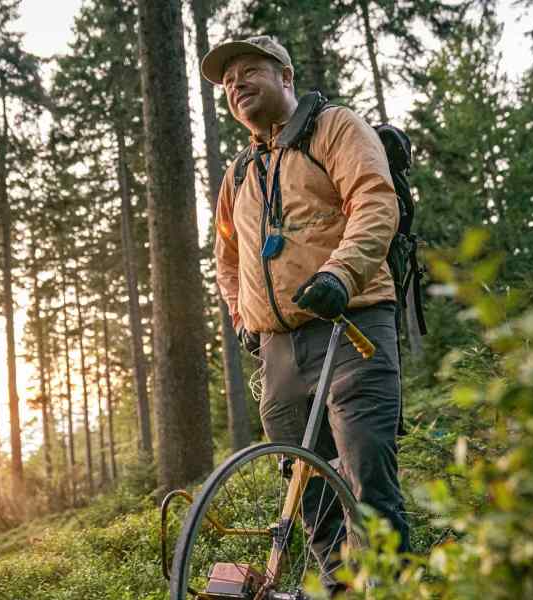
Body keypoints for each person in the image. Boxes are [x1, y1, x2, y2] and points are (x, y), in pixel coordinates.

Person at [202, 35, 411, 592]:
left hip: (353, 328)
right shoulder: (238, 174)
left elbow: (375, 199)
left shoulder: (336, 127)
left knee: (367, 478)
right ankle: (343, 589)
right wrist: (242, 316)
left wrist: (340, 274)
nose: (236, 85)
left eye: (249, 71)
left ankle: (390, 588)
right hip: (277, 353)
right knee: (306, 488)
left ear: (286, 76)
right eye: (227, 82)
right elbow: (227, 257)